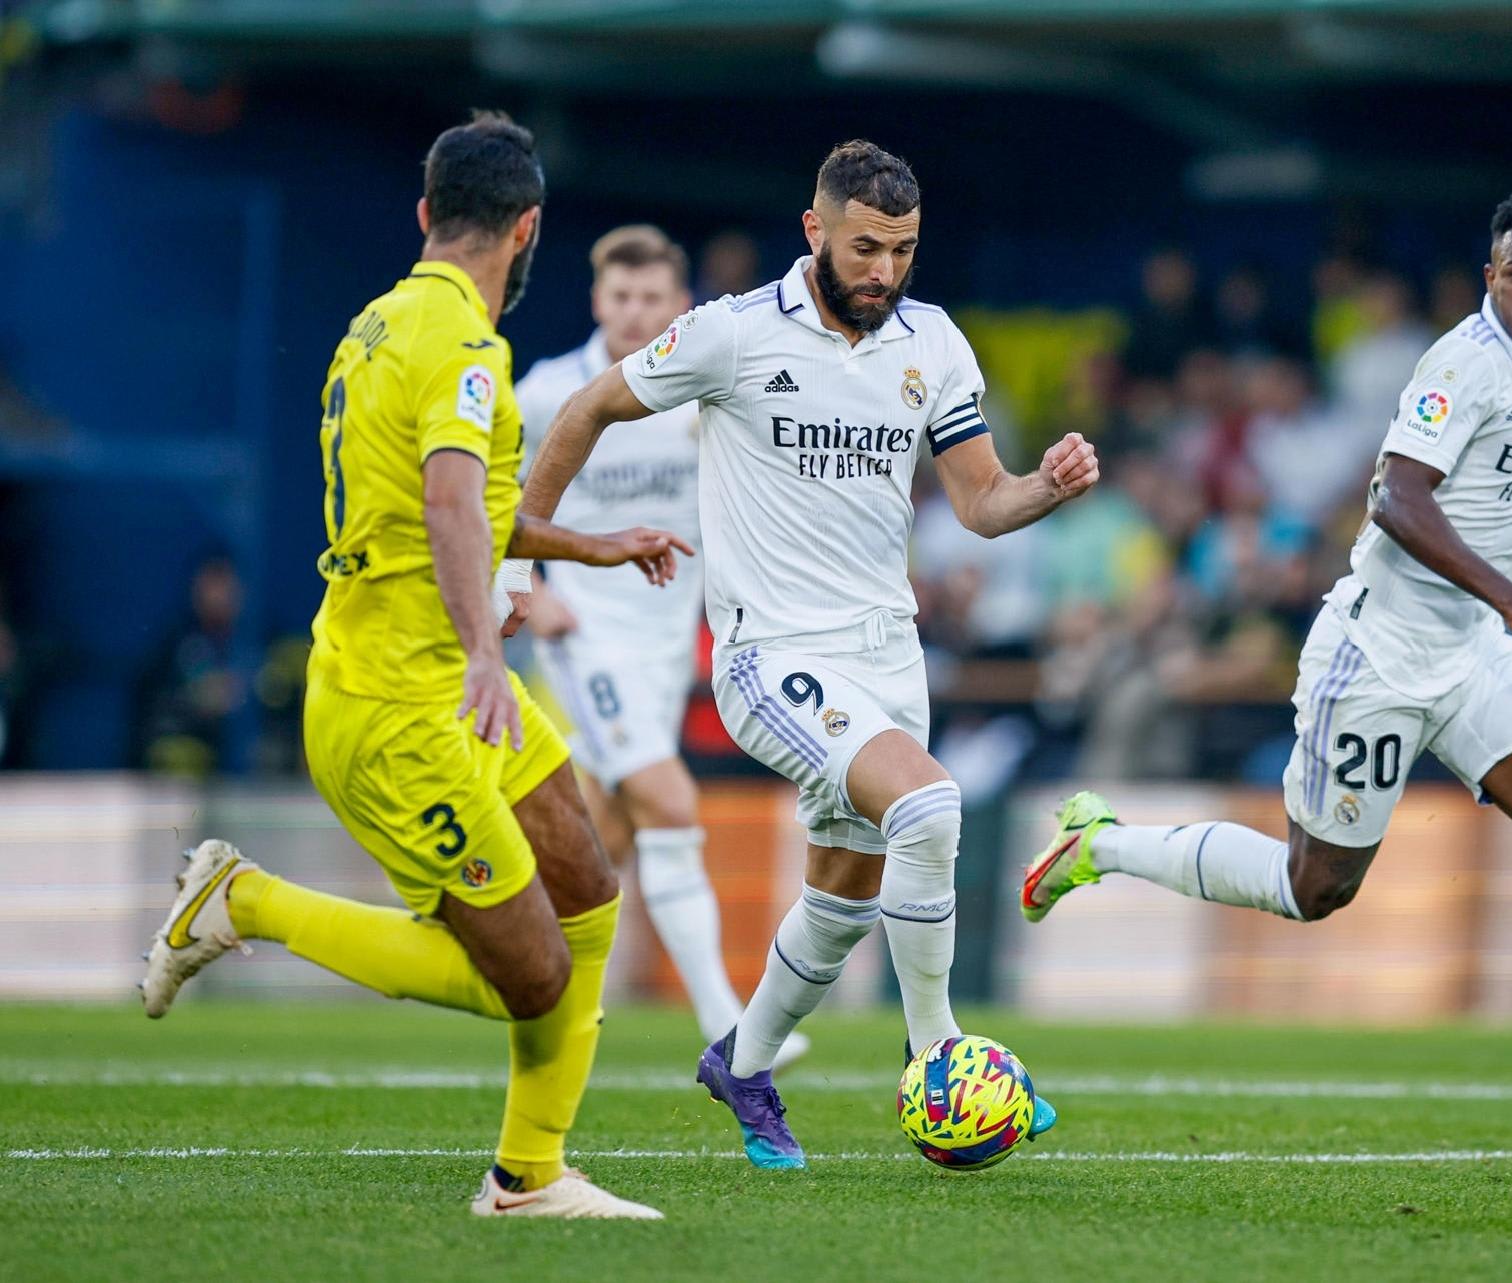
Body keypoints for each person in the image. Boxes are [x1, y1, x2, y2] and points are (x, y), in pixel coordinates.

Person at [1023, 189, 1512, 1158]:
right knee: (1315, 887)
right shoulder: (1462, 363)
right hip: (1378, 656)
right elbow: (1397, 498)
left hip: (1468, 652)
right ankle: (1103, 841)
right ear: (1491, 277)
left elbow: (1489, 518)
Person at [139, 112, 693, 1219]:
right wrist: (491, 651)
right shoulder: (467, 350)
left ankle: (530, 1176)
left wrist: (592, 544)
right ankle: (242, 900)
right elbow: (448, 499)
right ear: (529, 229)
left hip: (437, 675)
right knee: (529, 973)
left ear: (428, 213)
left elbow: (456, 508)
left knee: (587, 886)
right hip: (403, 703)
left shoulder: (375, 326)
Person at [520, 140, 1097, 1169]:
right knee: (929, 805)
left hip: (886, 654)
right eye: (866, 247)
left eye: (904, 251)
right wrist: (525, 556)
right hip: (769, 656)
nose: (884, 271)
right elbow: (589, 406)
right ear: (814, 231)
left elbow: (979, 500)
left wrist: (1045, 485)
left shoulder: (934, 343)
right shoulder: (730, 335)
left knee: (842, 897)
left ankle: (740, 1060)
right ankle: (942, 1058)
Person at [515, 225, 806, 1068]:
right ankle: (733, 1027)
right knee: (671, 803)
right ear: (597, 300)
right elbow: (497, 499)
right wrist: (529, 594)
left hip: (666, 646)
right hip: (585, 638)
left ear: (679, 306)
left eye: (652, 299)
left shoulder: (703, 390)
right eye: (620, 297)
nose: (636, 314)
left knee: (604, 842)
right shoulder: (547, 393)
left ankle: (535, 991)